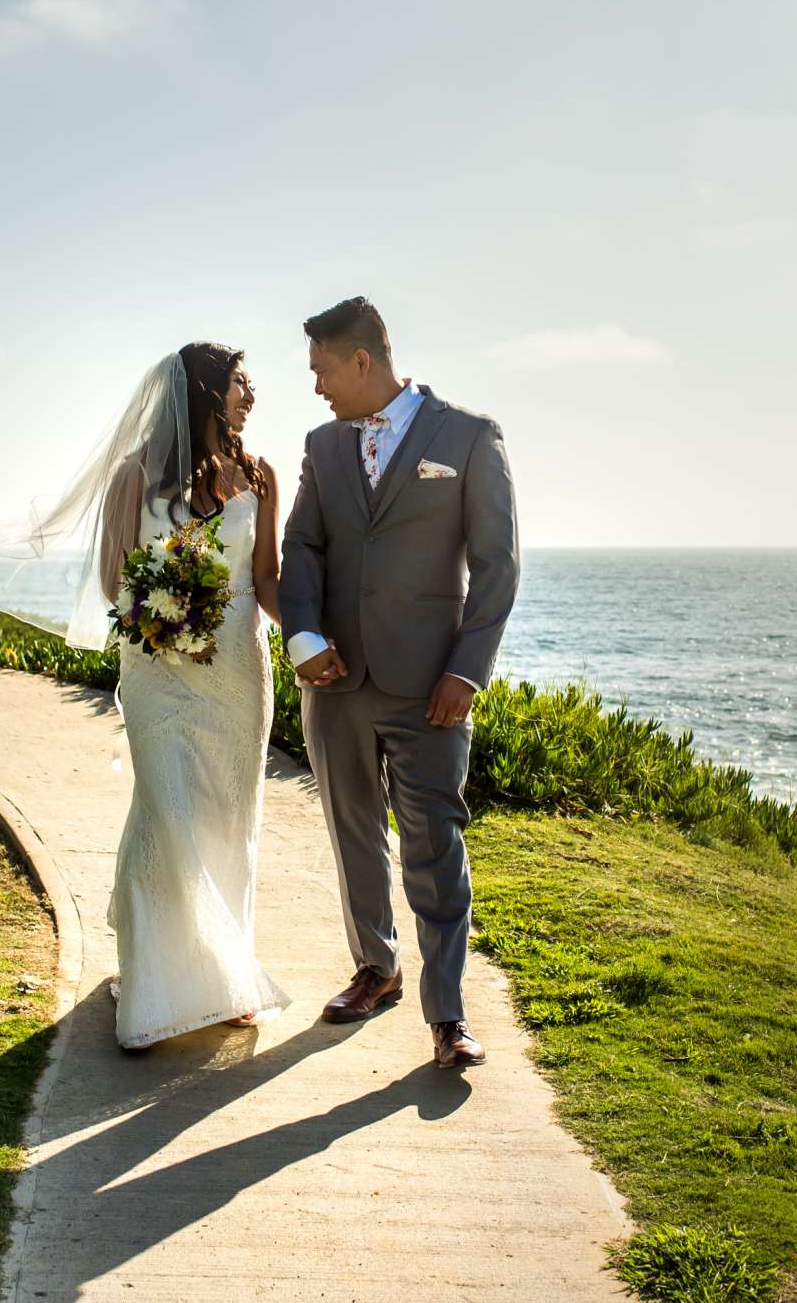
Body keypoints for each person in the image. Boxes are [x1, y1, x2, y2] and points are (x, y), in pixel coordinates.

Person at [0, 345, 290, 1051]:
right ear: (203, 392)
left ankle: (224, 975)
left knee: (229, 817)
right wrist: (167, 609)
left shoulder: (259, 475)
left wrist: (318, 638)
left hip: (236, 671)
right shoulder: (134, 477)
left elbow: (268, 579)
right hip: (158, 669)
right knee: (165, 814)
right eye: (238, 384)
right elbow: (113, 580)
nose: (250, 396)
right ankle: (154, 985)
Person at [279, 297, 520, 1070]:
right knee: (353, 835)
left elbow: (498, 564)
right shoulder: (321, 445)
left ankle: (448, 1014)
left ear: (361, 361)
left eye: (321, 370)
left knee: (434, 844)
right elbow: (302, 546)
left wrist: (466, 672)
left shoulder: (470, 437)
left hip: (431, 688)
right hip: (336, 682)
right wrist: (304, 639)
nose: (316, 387)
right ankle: (376, 969)